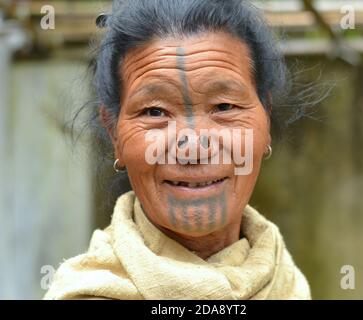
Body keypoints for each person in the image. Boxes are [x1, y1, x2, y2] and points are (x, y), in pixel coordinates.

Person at [44, 0, 311, 300]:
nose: (193, 147)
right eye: (155, 112)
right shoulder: (87, 293)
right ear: (114, 134)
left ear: (266, 121)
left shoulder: (286, 283)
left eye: (224, 106)